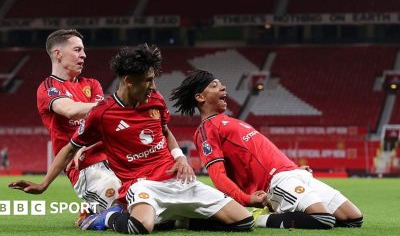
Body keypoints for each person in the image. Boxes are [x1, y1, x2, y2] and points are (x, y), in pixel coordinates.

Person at [10, 45, 254, 234]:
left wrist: (180, 158)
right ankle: (101, 218)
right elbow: (70, 148)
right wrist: (43, 185)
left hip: (176, 179)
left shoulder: (155, 100)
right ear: (129, 80)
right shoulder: (101, 113)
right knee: (141, 227)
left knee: (244, 221)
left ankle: (181, 220)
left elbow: (165, 131)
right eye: (147, 80)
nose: (152, 86)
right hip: (141, 184)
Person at [170, 69, 364, 229]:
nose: (222, 87)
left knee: (354, 218)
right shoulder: (206, 130)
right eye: (214, 85)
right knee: (323, 219)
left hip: (294, 174)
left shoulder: (230, 122)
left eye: (220, 83)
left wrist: (295, 167)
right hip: (276, 181)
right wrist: (245, 199)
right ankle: (256, 219)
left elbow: (262, 152)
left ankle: (285, 208)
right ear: (200, 97)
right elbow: (218, 176)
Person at [26, 29, 121, 215]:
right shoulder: (48, 88)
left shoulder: (91, 84)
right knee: (131, 213)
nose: (84, 55)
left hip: (115, 161)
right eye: (77, 50)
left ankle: (93, 209)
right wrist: (113, 105)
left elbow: (103, 120)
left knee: (152, 204)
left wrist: (104, 111)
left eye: (83, 50)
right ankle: (92, 217)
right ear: (58, 54)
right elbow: (70, 110)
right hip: (85, 168)